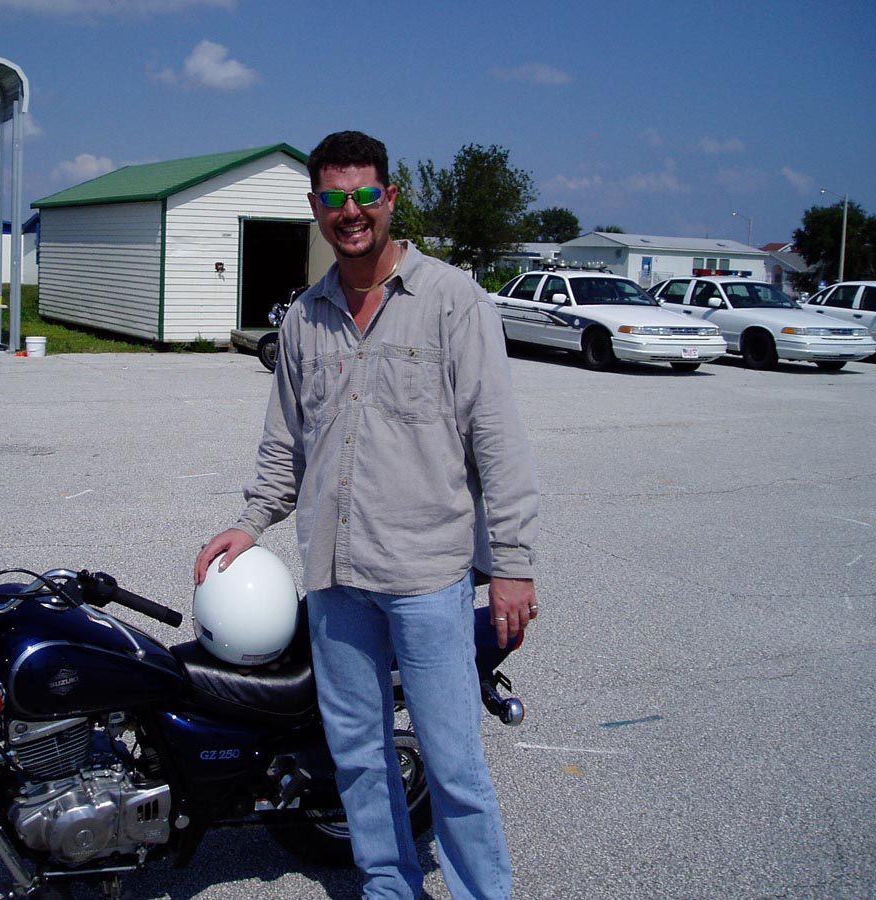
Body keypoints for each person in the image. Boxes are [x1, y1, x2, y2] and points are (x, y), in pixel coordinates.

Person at [194, 130, 540, 900]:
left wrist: (513, 564)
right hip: (335, 578)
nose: (350, 212)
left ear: (390, 198)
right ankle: (388, 886)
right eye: (333, 198)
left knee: (454, 764)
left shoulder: (452, 301)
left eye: (364, 196)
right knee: (356, 754)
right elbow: (284, 445)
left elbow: (498, 441)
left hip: (426, 578)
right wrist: (250, 523)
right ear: (315, 206)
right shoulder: (304, 318)